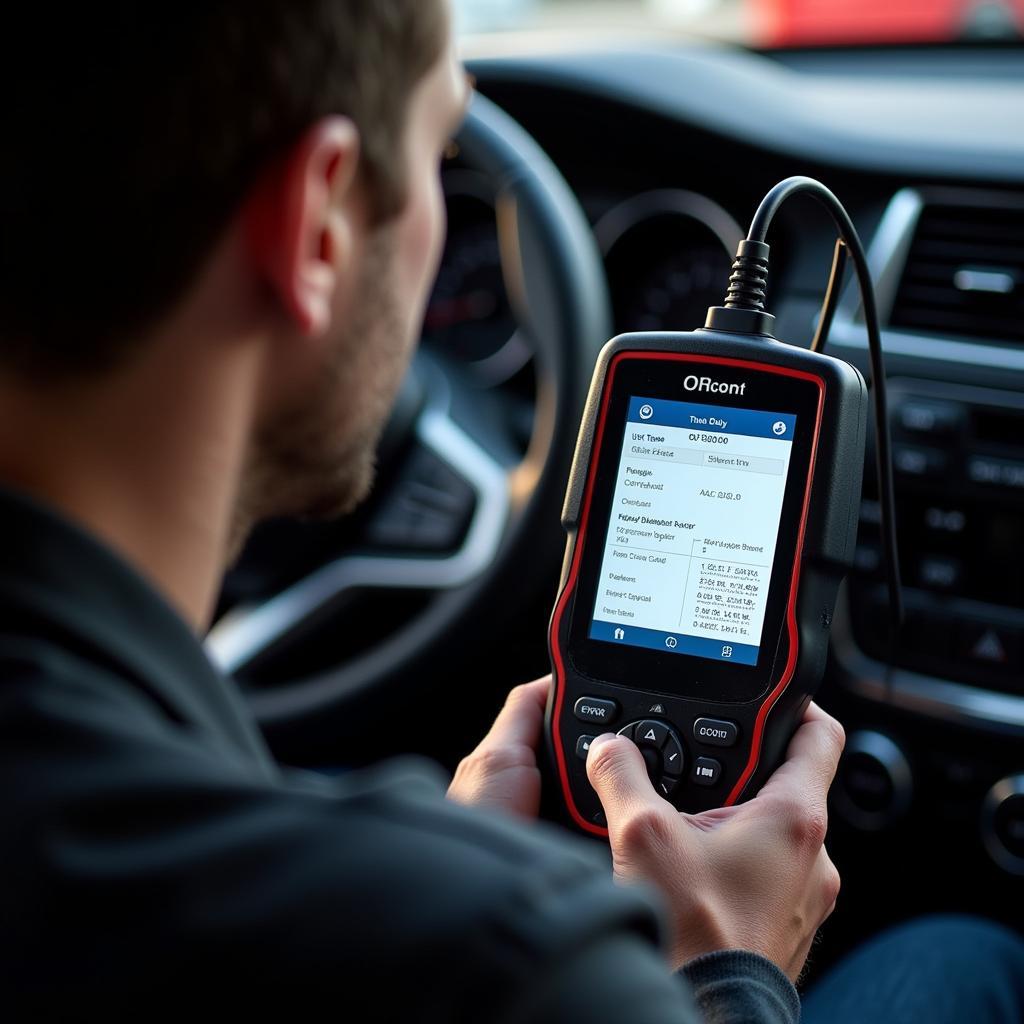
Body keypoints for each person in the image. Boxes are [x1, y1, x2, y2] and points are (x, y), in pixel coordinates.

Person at [0, 2, 1021, 1020]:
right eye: (443, 149)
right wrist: (721, 974)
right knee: (962, 953)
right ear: (315, 226)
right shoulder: (508, 965)